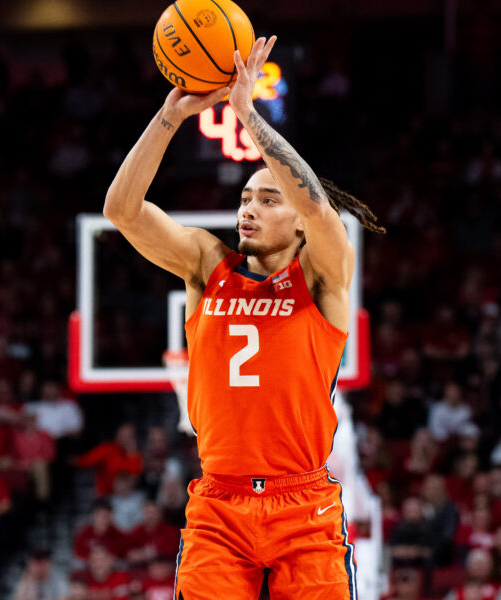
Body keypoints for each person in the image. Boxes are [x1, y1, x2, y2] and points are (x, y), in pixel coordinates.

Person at [103, 36, 384, 599]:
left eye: (267, 199)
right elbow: (121, 211)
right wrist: (168, 116)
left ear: (300, 221)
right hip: (220, 504)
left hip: (303, 504)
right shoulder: (207, 264)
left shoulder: (322, 276)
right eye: (246, 199)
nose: (248, 208)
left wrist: (247, 115)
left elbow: (319, 209)